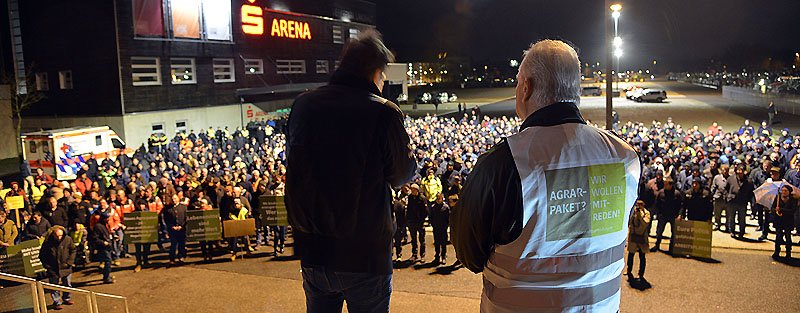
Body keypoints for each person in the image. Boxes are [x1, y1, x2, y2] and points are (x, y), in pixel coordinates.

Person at [451, 40, 641, 312]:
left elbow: (468, 254)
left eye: (518, 83)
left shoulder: (503, 163)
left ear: (526, 87)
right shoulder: (625, 157)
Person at [285, 29, 415, 313]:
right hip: (364, 255)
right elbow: (402, 174)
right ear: (374, 72)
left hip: (314, 250)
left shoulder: (304, 105)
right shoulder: (383, 112)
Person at [39, 226, 76, 310]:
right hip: (53, 268)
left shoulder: (68, 239)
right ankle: (57, 302)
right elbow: (42, 255)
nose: (59, 238)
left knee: (67, 284)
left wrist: (70, 262)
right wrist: (47, 267)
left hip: (66, 267)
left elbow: (73, 250)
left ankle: (67, 298)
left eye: (61, 236)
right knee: (54, 286)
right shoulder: (48, 242)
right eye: (57, 236)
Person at [652, 178, 682, 253]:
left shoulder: (677, 194)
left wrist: (680, 214)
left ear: (671, 185)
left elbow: (681, 205)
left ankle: (671, 248)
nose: (664, 186)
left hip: (673, 216)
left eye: (666, 184)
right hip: (663, 215)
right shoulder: (661, 193)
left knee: (674, 232)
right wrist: (657, 214)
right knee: (659, 231)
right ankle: (657, 245)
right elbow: (657, 204)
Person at [627, 200, 651, 283]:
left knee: (642, 256)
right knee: (631, 254)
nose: (638, 207)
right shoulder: (633, 212)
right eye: (637, 205)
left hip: (642, 237)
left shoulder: (646, 213)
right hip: (633, 235)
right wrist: (634, 215)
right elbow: (629, 222)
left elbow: (645, 223)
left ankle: (641, 274)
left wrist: (640, 215)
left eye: (640, 205)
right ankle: (628, 270)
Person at [726, 166, 754, 238]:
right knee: (731, 217)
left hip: (742, 202)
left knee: (741, 218)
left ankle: (741, 232)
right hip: (732, 201)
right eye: (738, 170)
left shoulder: (749, 181)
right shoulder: (730, 179)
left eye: (741, 170)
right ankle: (732, 231)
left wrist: (749, 201)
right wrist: (728, 196)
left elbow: (751, 192)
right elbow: (725, 189)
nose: (740, 172)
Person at [772, 185, 796, 259]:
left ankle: (788, 253)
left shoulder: (792, 200)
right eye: (782, 191)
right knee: (778, 236)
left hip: (788, 221)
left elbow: (792, 211)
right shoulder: (778, 198)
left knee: (788, 237)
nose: (784, 192)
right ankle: (777, 251)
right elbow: (773, 208)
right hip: (779, 221)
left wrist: (781, 210)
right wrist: (775, 210)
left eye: (785, 191)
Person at [163, 193, 187, 264]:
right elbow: (166, 219)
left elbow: (186, 218)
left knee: (182, 244)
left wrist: (182, 226)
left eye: (175, 199)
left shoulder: (183, 207)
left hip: (182, 229)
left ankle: (181, 257)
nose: (174, 200)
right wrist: (171, 226)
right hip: (172, 229)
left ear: (178, 199)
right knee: (173, 245)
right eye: (173, 199)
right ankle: (172, 259)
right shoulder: (167, 209)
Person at [406, 184, 428, 262]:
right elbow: (408, 209)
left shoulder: (422, 198)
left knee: (422, 239)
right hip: (412, 222)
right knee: (413, 239)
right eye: (411, 189)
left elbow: (425, 211)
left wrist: (422, 220)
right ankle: (414, 254)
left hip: (420, 222)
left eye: (413, 190)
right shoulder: (410, 198)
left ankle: (422, 255)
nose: (412, 191)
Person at [90, 213, 114, 284]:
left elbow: (107, 235)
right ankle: (106, 277)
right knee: (108, 261)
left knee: (108, 261)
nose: (108, 220)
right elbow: (95, 238)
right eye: (107, 218)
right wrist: (103, 242)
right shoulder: (98, 226)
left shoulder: (105, 225)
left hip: (108, 246)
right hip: (103, 247)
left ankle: (106, 276)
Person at [428, 193, 450, 265]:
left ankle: (443, 256)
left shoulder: (446, 207)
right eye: (438, 198)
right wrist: (433, 224)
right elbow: (431, 217)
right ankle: (437, 256)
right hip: (436, 228)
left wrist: (446, 226)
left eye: (440, 198)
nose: (439, 200)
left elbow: (448, 218)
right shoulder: (433, 207)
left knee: (443, 243)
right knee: (437, 243)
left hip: (443, 228)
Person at [711, 164, 730, 231]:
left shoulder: (730, 178)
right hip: (718, 198)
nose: (724, 171)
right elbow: (713, 187)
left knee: (728, 214)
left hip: (727, 199)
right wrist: (712, 196)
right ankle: (717, 224)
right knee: (717, 213)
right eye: (723, 170)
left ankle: (727, 226)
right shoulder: (717, 178)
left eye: (726, 170)